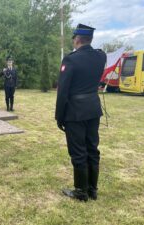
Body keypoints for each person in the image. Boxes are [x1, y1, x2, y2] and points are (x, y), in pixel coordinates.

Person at [55, 24, 107, 201]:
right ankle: (93, 190)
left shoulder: (70, 60)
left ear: (77, 39)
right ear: (90, 39)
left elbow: (62, 92)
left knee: (78, 151)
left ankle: (80, 192)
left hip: (75, 112)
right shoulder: (101, 56)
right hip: (93, 109)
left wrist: (59, 117)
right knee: (92, 149)